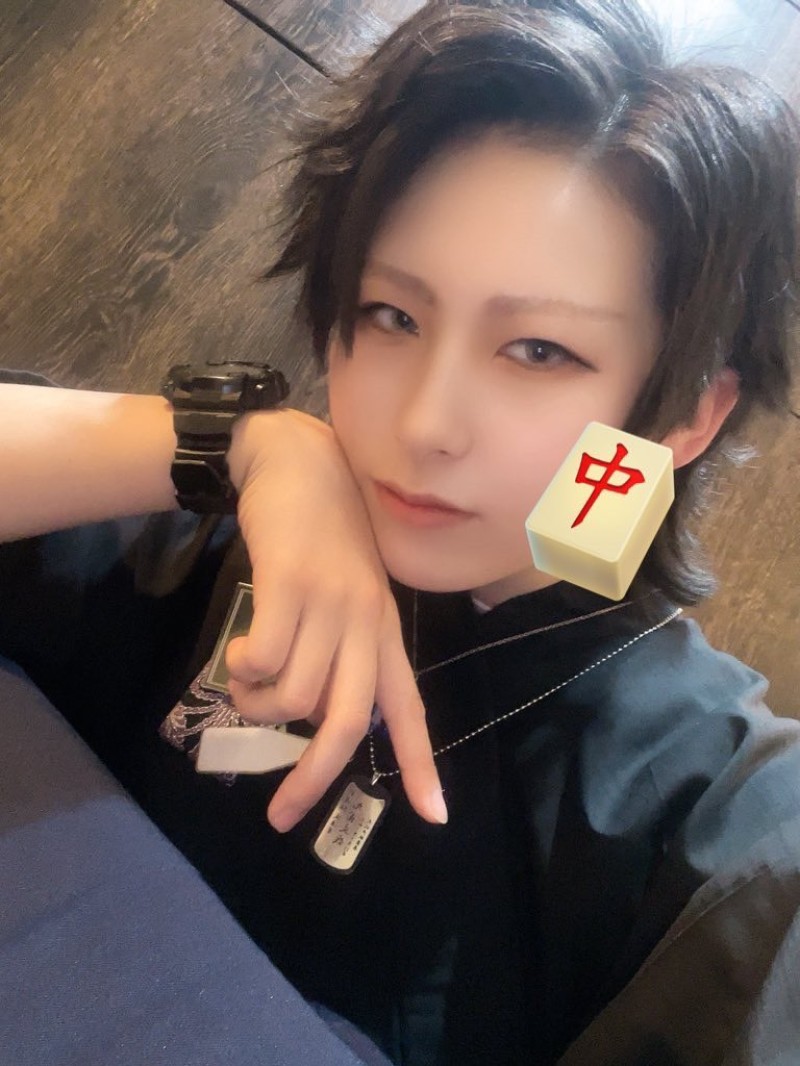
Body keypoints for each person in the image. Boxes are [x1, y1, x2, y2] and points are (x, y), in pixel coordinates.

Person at [1, 0, 799, 1062]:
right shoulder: (210, 540)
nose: (425, 424)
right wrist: (244, 445)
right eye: (393, 316)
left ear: (686, 413)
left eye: (539, 351)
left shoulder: (706, 810)